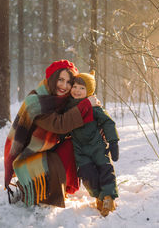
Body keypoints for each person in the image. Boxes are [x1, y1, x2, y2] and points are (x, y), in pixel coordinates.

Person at [4, 60, 99, 208]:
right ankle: (38, 189)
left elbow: (73, 123)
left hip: (47, 150)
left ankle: (79, 188)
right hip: (30, 156)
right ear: (52, 78)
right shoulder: (36, 102)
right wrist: (85, 105)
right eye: (60, 80)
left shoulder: (62, 100)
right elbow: (59, 124)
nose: (64, 86)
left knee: (73, 144)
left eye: (69, 82)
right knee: (61, 155)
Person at [63, 71, 120, 217]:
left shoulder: (94, 107)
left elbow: (107, 122)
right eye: (75, 86)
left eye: (82, 88)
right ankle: (99, 196)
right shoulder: (68, 107)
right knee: (87, 176)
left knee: (105, 170)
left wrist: (113, 141)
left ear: (89, 91)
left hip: (97, 146)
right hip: (80, 150)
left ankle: (108, 198)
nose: (77, 90)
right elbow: (64, 124)